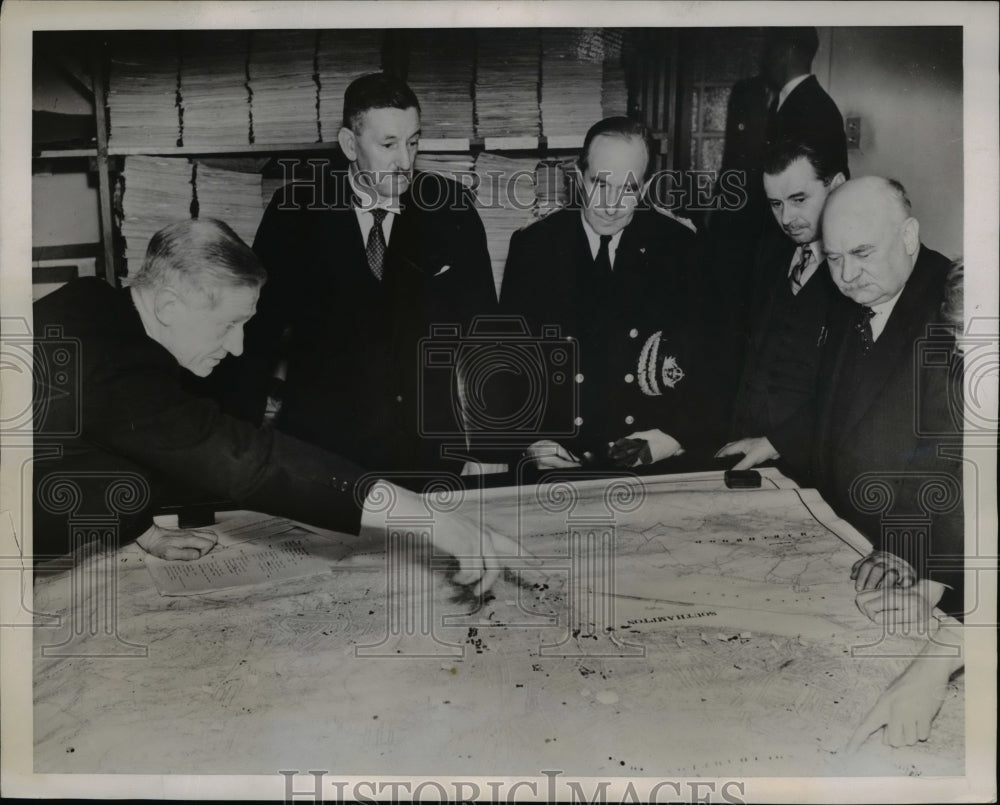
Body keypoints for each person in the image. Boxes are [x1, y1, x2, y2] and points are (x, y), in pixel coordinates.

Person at [32, 218, 522, 594]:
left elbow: (90, 449)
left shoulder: (94, 304)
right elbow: (252, 462)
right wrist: (433, 519)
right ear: (168, 307)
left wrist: (140, 528)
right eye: (228, 324)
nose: (240, 347)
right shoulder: (114, 370)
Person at [215, 72, 497, 475]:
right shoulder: (295, 211)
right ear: (350, 144)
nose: (404, 161)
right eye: (388, 144)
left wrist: (494, 449)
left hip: (425, 450)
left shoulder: (451, 210)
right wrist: (233, 450)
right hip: (320, 448)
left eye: (413, 142)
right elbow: (255, 335)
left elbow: (488, 334)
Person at [719, 177, 964, 624]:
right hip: (854, 535)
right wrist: (778, 440)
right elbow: (840, 397)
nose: (847, 275)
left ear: (908, 237)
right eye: (834, 258)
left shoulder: (954, 312)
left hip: (918, 568)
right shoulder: (865, 289)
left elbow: (957, 455)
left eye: (862, 254)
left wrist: (909, 551)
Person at [498, 116, 724, 470]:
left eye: (629, 188)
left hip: (648, 457)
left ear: (647, 186)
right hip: (557, 458)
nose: (612, 205)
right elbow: (506, 363)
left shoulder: (681, 248)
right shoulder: (535, 246)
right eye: (600, 184)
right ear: (578, 176)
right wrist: (531, 442)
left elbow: (713, 362)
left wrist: (672, 437)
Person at [729, 137, 846, 444]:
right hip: (744, 442)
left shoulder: (857, 272)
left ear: (836, 185)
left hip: (808, 454)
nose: (786, 219)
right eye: (776, 204)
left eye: (798, 200)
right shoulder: (769, 253)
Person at [761, 27, 849, 179]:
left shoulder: (817, 107)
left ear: (784, 52)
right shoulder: (783, 101)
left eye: (769, 50)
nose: (765, 59)